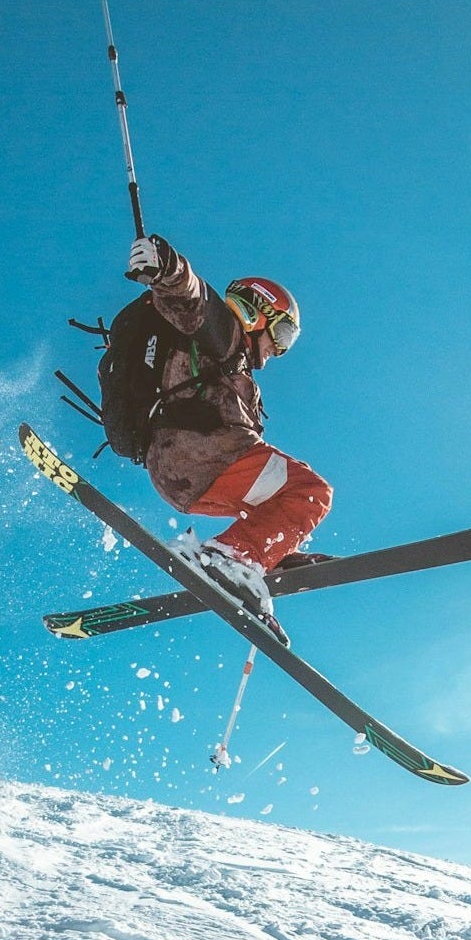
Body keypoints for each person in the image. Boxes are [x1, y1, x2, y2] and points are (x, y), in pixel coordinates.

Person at [127, 234, 333, 646]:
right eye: (283, 334)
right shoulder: (223, 332)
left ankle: (262, 554)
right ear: (257, 311)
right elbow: (191, 298)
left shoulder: (237, 370)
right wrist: (166, 267)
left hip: (182, 473)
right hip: (204, 453)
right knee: (311, 491)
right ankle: (233, 556)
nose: (278, 350)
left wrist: (280, 546)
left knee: (277, 498)